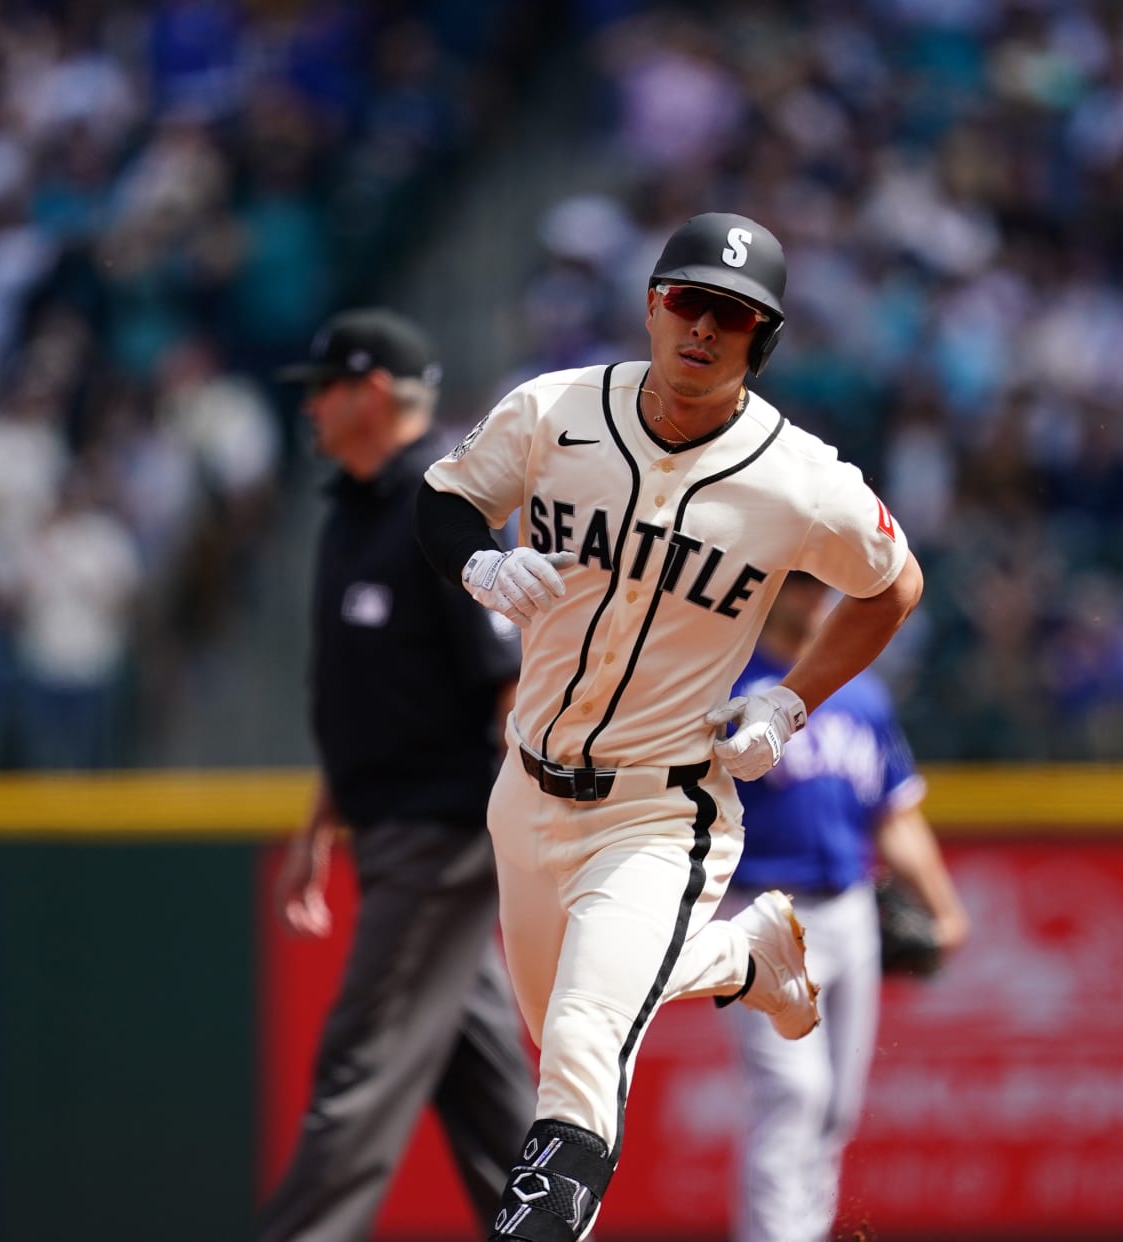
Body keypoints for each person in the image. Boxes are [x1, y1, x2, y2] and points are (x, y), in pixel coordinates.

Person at [413, 213, 926, 1242]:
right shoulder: (555, 410)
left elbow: (894, 584)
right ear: (653, 304)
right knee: (560, 1016)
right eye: (689, 302)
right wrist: (475, 560)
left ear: (761, 342)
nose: (704, 329)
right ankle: (742, 958)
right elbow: (443, 501)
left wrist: (790, 699)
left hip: (664, 807)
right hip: (526, 788)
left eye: (733, 317)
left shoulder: (799, 478)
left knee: (583, 1040)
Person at [256, 309, 536, 1242]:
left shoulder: (438, 514)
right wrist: (318, 826)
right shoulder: (352, 510)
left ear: (373, 394)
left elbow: (507, 686)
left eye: (324, 389)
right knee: (489, 1090)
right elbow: (363, 700)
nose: (311, 409)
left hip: (443, 835)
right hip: (386, 827)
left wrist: (533, 832)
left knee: (360, 1066)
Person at [719, 571, 967, 1242]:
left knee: (834, 1108)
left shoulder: (861, 694)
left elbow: (895, 815)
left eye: (822, 587)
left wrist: (943, 907)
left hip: (851, 908)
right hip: (758, 911)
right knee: (792, 1094)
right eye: (799, 585)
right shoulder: (730, 685)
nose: (814, 598)